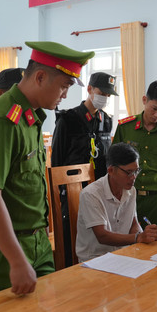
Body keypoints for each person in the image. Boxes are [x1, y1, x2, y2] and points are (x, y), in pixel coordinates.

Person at [0, 41, 94, 300]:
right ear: (41, 77)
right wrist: (17, 260)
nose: (65, 94)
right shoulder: (1, 121)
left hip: (35, 243)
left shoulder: (30, 117)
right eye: (64, 86)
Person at [51, 72, 118, 266]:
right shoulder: (69, 119)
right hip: (73, 192)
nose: (104, 98)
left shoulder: (106, 120)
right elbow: (57, 161)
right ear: (89, 90)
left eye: (108, 95)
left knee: (98, 243)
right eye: (101, 93)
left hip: (99, 193)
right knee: (71, 241)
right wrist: (62, 193)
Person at [112, 81, 157, 232]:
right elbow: (114, 164)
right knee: (125, 245)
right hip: (128, 196)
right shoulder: (125, 127)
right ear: (145, 100)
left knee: (156, 247)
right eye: (154, 109)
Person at [76, 143, 157, 262]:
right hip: (95, 260)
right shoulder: (91, 194)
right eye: (128, 172)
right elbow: (102, 236)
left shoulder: (131, 190)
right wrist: (138, 238)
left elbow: (133, 223)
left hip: (122, 255)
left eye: (136, 171)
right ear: (111, 170)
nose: (133, 177)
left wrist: (145, 235)